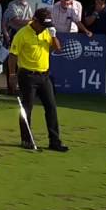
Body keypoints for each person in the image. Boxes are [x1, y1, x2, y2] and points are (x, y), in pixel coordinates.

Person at [14, 8, 68, 152]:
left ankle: (54, 141)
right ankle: (26, 139)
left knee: (51, 107)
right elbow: (13, 55)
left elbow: (57, 48)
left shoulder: (47, 31)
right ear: (35, 20)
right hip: (27, 75)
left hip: (44, 76)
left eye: (47, 25)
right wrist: (13, 76)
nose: (44, 27)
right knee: (27, 108)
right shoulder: (22, 34)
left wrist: (54, 35)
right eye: (43, 24)